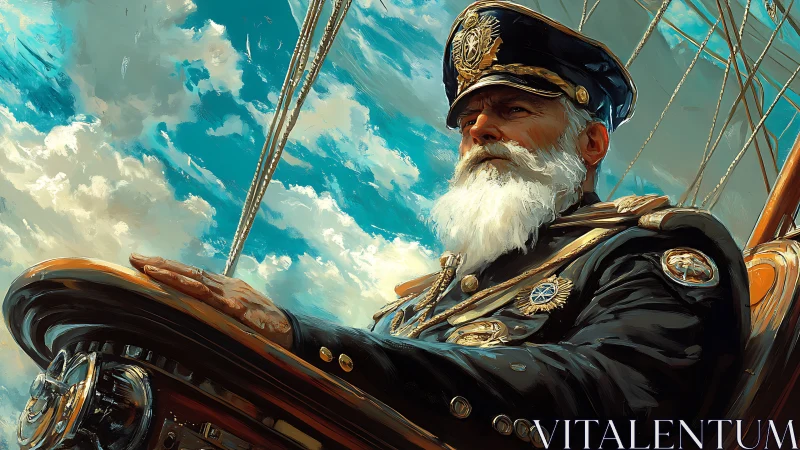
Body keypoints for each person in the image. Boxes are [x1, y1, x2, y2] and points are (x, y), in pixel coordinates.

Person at [129, 1, 750, 447]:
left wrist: (305, 338)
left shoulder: (652, 250)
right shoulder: (430, 298)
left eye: (512, 108)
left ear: (590, 144)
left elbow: (619, 404)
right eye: (468, 119)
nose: (479, 130)